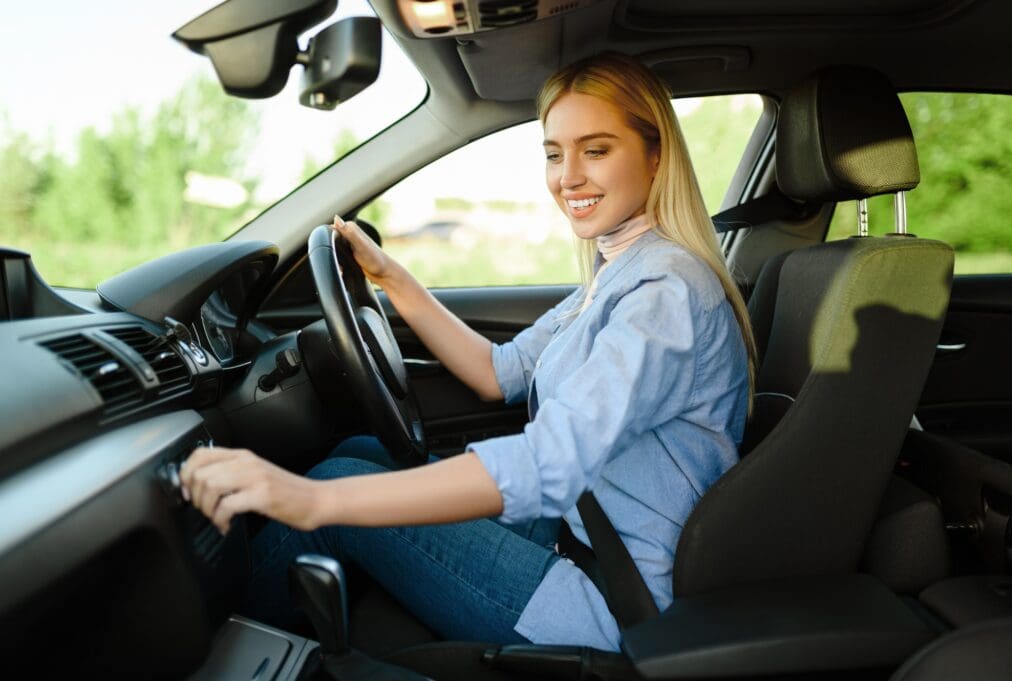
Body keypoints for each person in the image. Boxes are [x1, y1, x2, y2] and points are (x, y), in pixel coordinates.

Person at [180, 51, 756, 652]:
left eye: (597, 149)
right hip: (580, 530)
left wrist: (311, 500)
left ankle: (205, 654)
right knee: (360, 450)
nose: (568, 177)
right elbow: (498, 371)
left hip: (615, 595)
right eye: (555, 153)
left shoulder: (665, 292)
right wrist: (390, 277)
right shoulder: (619, 273)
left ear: (656, 154)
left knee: (338, 483)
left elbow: (550, 462)